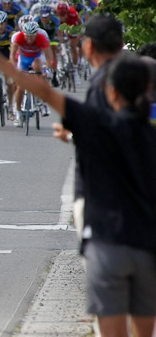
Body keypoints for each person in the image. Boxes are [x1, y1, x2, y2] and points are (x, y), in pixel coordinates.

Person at [0, 44, 156, 337]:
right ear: (147, 91)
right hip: (147, 248)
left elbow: (44, 91)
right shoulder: (149, 136)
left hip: (107, 246)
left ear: (112, 93)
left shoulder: (96, 125)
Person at [52, 13, 123, 240]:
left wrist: (72, 135)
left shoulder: (106, 82)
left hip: (105, 197)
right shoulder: (133, 71)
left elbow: (107, 134)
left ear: (89, 45)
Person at [10, 21, 52, 126]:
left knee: (39, 70)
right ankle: (18, 113)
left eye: (31, 37)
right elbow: (12, 54)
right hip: (23, 59)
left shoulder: (41, 38)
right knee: (20, 86)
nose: (29, 39)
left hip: (36, 58)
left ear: (36, 35)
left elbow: (48, 57)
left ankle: (42, 101)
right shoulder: (19, 37)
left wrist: (47, 69)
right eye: (27, 37)